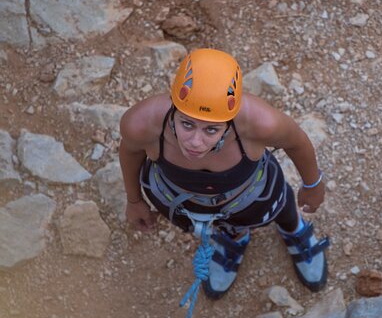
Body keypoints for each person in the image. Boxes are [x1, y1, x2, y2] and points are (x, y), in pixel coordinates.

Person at [119, 48, 329, 298]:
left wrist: (313, 184)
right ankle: (236, 239)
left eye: (211, 130)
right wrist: (134, 200)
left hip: (252, 197)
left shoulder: (259, 123)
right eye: (187, 124)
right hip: (184, 201)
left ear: (230, 120)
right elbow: (130, 152)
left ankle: (294, 229)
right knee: (227, 225)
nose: (195, 142)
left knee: (281, 207)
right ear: (173, 105)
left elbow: (297, 142)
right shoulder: (143, 123)